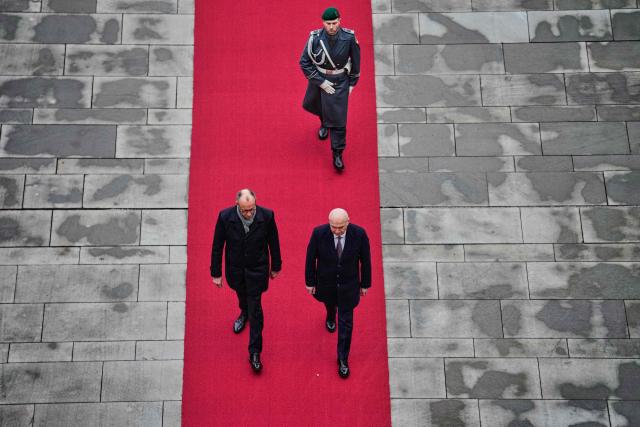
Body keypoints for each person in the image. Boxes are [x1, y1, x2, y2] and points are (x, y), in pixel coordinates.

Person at [210, 189, 282, 373]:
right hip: (236, 271)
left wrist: (276, 266)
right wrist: (216, 273)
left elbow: (274, 242)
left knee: (256, 310)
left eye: (251, 209)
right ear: (237, 205)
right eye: (245, 210)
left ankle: (255, 352)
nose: (249, 213)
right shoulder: (225, 217)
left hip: (257, 271)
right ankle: (244, 312)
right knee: (243, 299)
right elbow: (218, 246)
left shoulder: (266, 216)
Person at [304, 208, 371, 378]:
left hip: (349, 286)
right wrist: (310, 281)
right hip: (327, 283)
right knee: (330, 304)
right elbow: (311, 258)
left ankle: (342, 359)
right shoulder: (319, 233)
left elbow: (366, 260)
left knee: (346, 325)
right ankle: (330, 314)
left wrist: (365, 284)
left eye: (341, 227)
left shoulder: (359, 234)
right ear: (329, 223)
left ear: (348, 221)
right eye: (334, 227)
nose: (337, 230)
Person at [299, 6, 361, 172]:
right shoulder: (314, 38)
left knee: (339, 121)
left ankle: (337, 153)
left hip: (339, 81)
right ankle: (324, 122)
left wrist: (352, 84)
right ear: (323, 23)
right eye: (328, 23)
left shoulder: (349, 37)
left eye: (334, 22)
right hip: (319, 80)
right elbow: (304, 62)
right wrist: (320, 82)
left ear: (340, 21)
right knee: (313, 104)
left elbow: (356, 61)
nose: (332, 26)